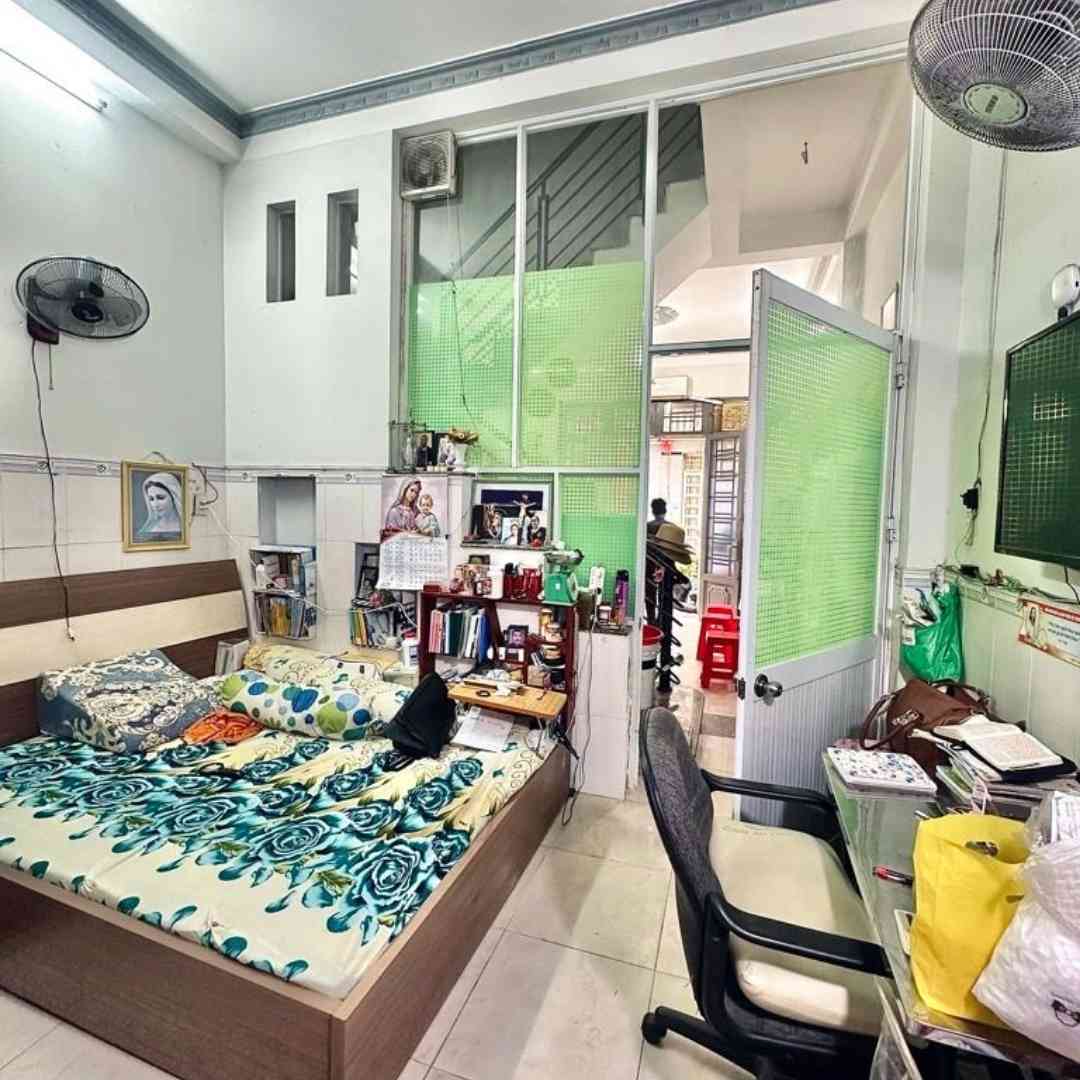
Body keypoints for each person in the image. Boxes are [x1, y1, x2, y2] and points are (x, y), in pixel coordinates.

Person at [137, 472, 183, 539]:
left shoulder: (185, 526)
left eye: (160, 498)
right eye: (151, 499)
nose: (155, 505)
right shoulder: (150, 529)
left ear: (174, 497)